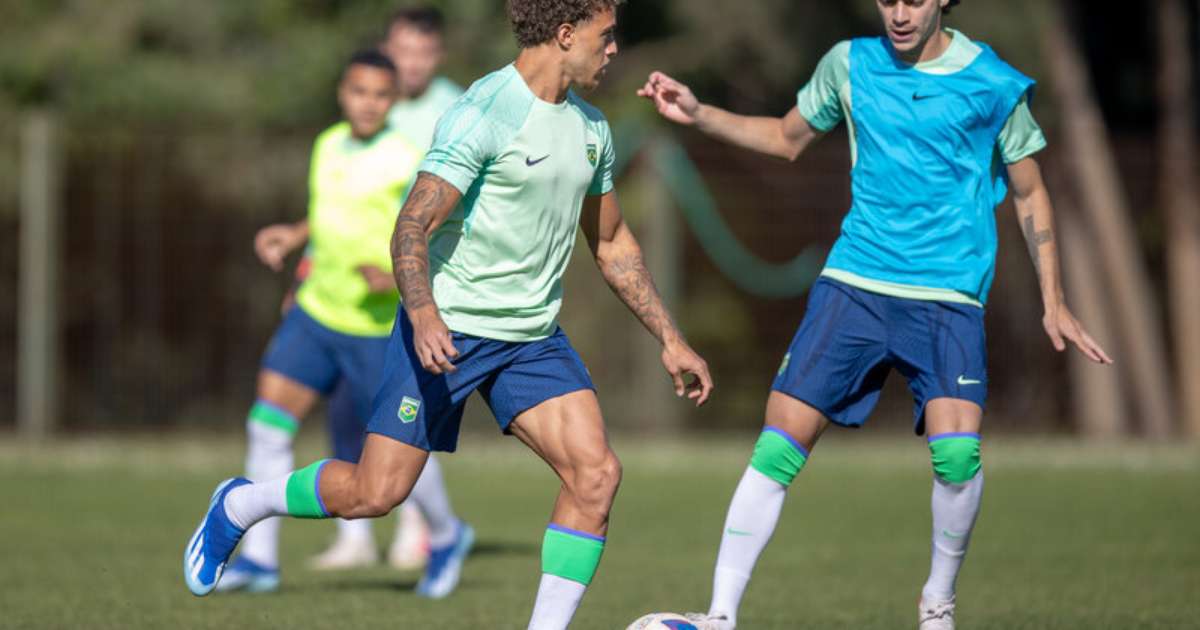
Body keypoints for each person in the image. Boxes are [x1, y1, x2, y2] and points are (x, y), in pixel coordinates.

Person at [185, 2, 714, 628]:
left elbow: (612, 242)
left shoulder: (591, 129)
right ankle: (244, 505)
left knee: (595, 476)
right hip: (450, 328)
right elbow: (412, 223)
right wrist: (425, 313)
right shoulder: (484, 113)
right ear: (566, 36)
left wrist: (670, 338)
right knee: (374, 495)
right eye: (606, 36)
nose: (614, 49)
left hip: (531, 339)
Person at [637, 0, 1112, 628]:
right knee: (778, 443)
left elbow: (1030, 191)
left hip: (947, 298)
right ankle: (720, 616)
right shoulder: (850, 64)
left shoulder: (994, 82)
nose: (899, 12)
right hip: (855, 284)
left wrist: (1053, 300)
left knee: (958, 457)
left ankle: (937, 605)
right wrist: (698, 113)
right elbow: (785, 138)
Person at [210, 49, 470, 598]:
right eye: (359, 92)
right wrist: (296, 238)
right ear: (342, 92)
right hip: (315, 314)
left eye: (381, 94)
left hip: (376, 330)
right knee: (268, 423)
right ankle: (259, 559)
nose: (369, 103)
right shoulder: (326, 145)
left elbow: (424, 227)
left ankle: (446, 535)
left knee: (395, 452)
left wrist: (396, 273)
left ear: (394, 99)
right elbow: (332, 211)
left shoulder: (407, 158)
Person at [310, 4, 467, 574]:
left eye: (423, 53)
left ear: (438, 57)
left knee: (407, 410)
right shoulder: (370, 107)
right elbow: (344, 198)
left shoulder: (457, 109)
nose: (411, 64)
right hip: (351, 292)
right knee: (352, 410)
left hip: (420, 281)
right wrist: (312, 256)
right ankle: (357, 534)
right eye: (403, 51)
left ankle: (422, 530)